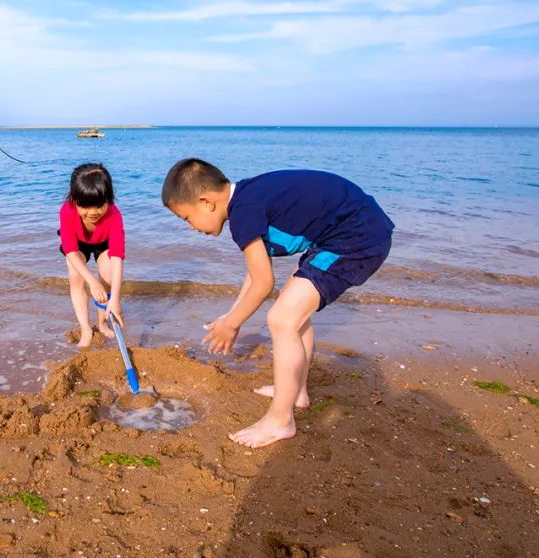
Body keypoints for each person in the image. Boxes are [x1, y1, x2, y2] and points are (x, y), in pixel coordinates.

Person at [161, 159, 394, 448]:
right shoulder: (248, 198)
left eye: (186, 218)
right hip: (348, 230)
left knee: (282, 319)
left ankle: (280, 420)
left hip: (356, 236)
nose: (191, 227)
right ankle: (296, 392)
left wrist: (232, 325)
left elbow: (263, 284)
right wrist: (231, 314)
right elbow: (255, 273)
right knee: (292, 311)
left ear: (206, 202)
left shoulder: (244, 213)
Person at [59, 163, 126, 348]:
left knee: (107, 275)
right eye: (85, 207)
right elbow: (70, 251)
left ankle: (102, 323)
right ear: (74, 199)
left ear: (109, 199)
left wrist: (116, 299)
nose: (93, 213)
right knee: (76, 276)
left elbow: (118, 258)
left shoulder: (114, 215)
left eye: (99, 206)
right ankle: (86, 329)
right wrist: (92, 282)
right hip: (77, 245)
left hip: (103, 243)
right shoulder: (67, 211)